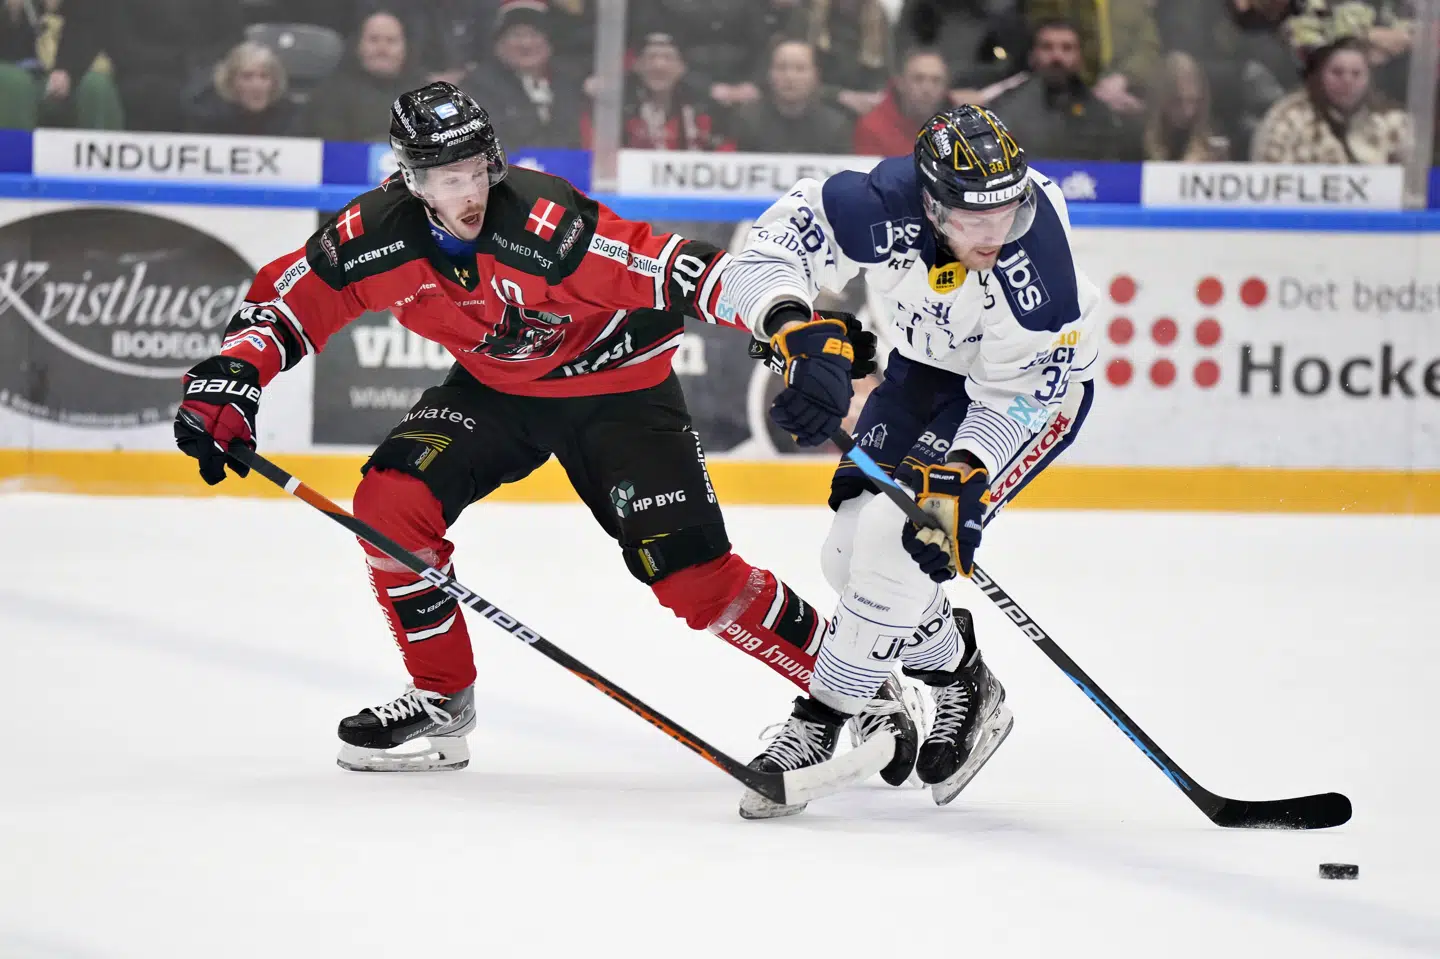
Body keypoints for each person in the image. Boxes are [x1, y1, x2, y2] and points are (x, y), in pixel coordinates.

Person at [173, 81, 919, 782]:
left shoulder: (544, 227)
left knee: (693, 579)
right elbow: (290, 301)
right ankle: (441, 696)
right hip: (500, 392)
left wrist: (787, 325)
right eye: (446, 178)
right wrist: (234, 373)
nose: (468, 192)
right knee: (388, 506)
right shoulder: (375, 235)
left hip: (620, 391)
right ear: (410, 180)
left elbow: (677, 268)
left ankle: (857, 683)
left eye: (476, 170)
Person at [719, 105, 1100, 818]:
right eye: (975, 218)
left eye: (1007, 211)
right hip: (921, 375)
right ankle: (963, 678)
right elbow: (767, 254)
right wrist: (794, 327)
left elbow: (1023, 392)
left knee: (892, 548)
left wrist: (966, 471)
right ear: (932, 204)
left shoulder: (1037, 264)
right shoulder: (876, 207)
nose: (995, 233)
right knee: (845, 557)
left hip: (1021, 400)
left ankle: (821, 719)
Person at [986, 19, 1140, 161]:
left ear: (1080, 57)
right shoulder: (1007, 109)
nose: (1057, 57)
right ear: (1033, 55)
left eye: (1067, 48)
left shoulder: (1103, 114)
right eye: (1047, 47)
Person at [1250, 34, 1411, 163]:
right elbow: (1268, 173)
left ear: (1369, 79)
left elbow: (1414, 180)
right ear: (1320, 76)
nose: (1347, 81)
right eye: (1337, 73)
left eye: (1356, 74)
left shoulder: (1393, 122)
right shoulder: (1289, 118)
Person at [302, 10, 424, 142]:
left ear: (405, 48)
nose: (382, 48)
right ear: (359, 46)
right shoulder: (330, 93)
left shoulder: (425, 96)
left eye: (391, 41)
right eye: (373, 39)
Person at [730, 39, 853, 154]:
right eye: (781, 68)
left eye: (800, 69)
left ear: (815, 75)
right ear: (769, 74)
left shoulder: (835, 126)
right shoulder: (748, 120)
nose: (790, 77)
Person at [183, 41, 298, 136]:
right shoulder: (208, 118)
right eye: (247, 77)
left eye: (264, 76)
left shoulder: (291, 119)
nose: (257, 85)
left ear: (274, 81)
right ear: (231, 82)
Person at [852, 46, 950, 156]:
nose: (927, 88)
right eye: (918, 79)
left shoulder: (960, 127)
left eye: (936, 81)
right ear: (900, 83)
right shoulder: (872, 128)